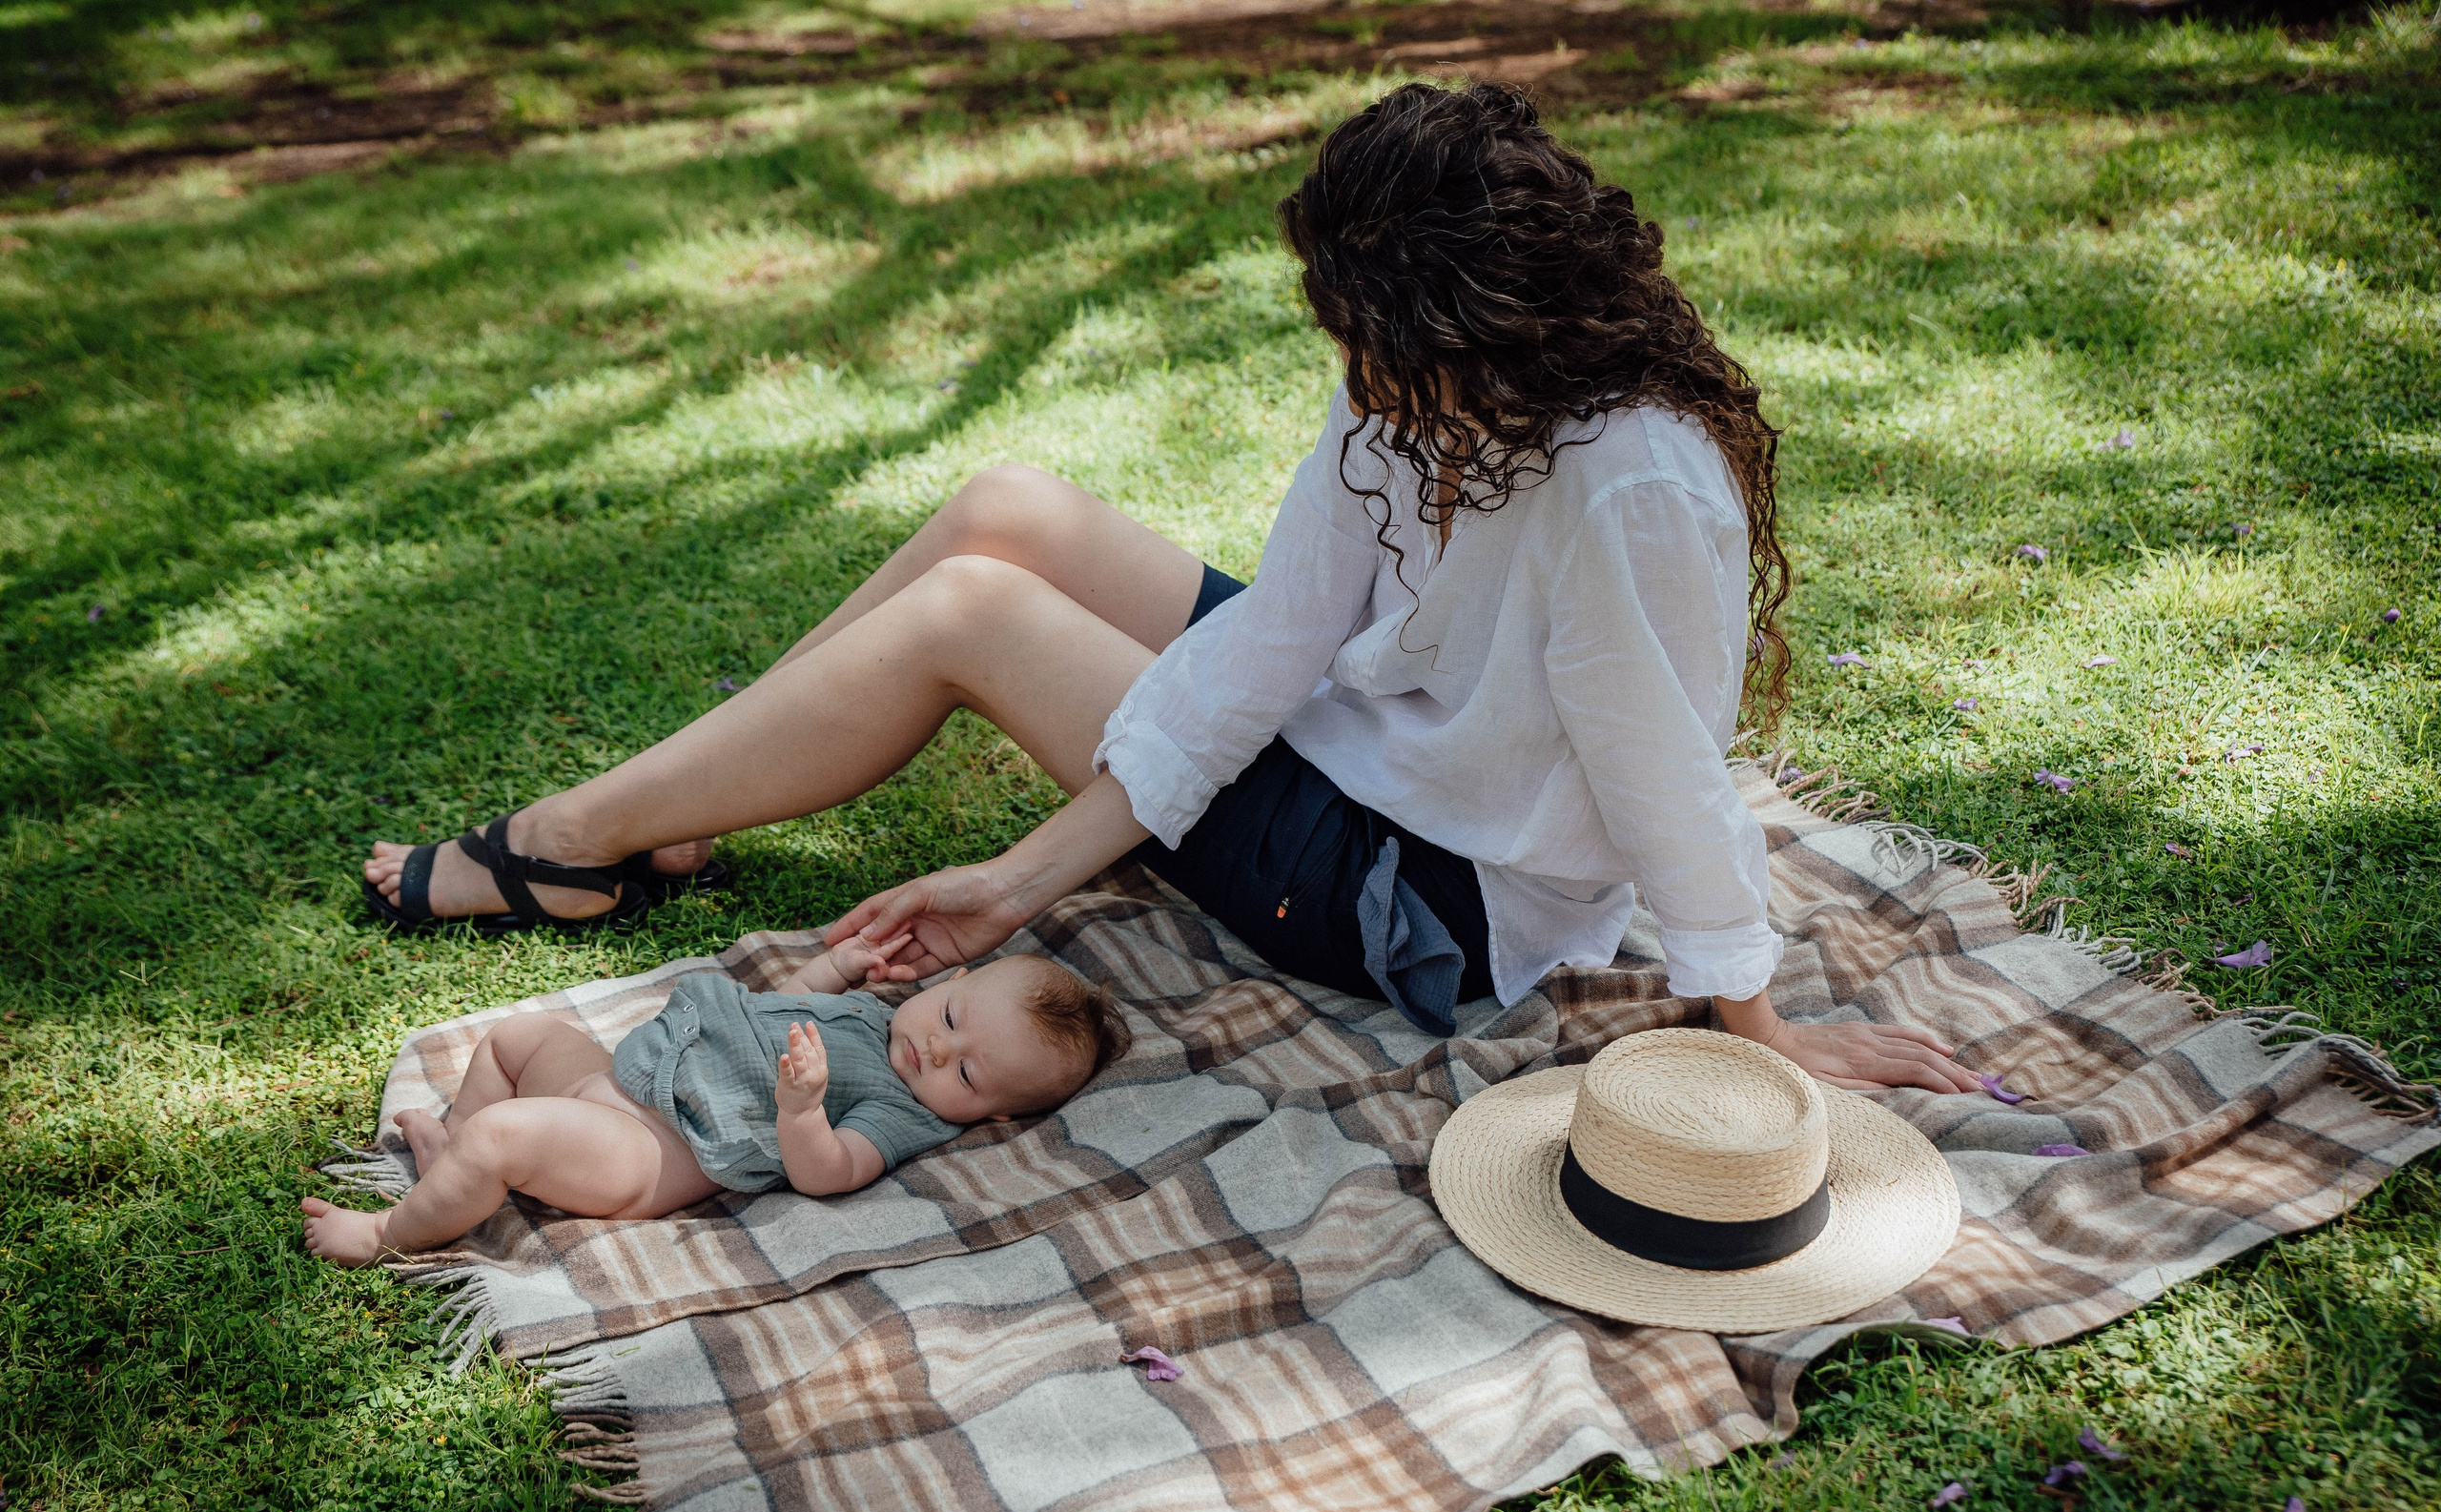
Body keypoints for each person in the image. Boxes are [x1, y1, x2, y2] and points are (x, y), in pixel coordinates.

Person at [361, 82, 1980, 1095]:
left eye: (1365, 336)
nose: (1344, 366)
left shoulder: (1626, 480)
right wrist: (1029, 870)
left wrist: (1748, 1031)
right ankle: (684, 801)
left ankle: (571, 843)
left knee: (970, 617)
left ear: (1474, 326)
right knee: (1010, 508)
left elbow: (1663, 776)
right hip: (1358, 740)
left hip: (1431, 899)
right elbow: (1279, 635)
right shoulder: (1416, 385)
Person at [299, 937, 1130, 1265]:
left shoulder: (903, 1112)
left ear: (990, 1116)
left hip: (651, 1148)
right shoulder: (877, 1017)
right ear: (948, 984)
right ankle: (452, 1152)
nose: (938, 1049)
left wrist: (802, 1110)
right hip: (624, 1078)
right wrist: (836, 970)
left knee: (509, 1132)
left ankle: (386, 1232)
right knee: (520, 1039)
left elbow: (830, 1173)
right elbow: (786, 1001)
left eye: (969, 1075)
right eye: (950, 1018)